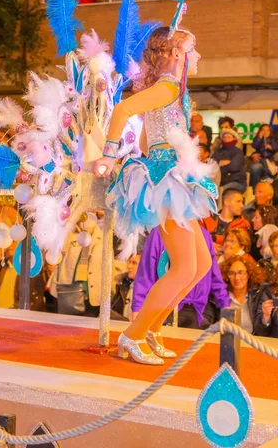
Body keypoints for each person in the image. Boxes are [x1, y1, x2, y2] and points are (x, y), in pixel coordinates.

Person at [93, 26, 218, 365]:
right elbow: (121, 111)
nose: (194, 54)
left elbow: (149, 141)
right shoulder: (165, 87)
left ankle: (151, 327)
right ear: (176, 52)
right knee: (185, 266)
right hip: (167, 181)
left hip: (173, 174)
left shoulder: (170, 88)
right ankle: (131, 336)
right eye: (190, 48)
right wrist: (108, 154)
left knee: (200, 264)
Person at [131, 227, 229, 330]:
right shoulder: (158, 234)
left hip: (197, 309)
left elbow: (214, 275)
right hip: (164, 307)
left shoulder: (203, 235)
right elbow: (146, 272)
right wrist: (138, 306)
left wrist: (225, 307)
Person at [50, 214, 104, 317]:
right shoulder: (70, 235)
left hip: (92, 297)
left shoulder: (103, 239)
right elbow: (57, 255)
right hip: (68, 293)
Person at [220, 254, 265, 333]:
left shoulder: (257, 296)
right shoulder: (219, 297)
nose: (237, 277)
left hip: (252, 343)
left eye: (240, 272)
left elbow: (263, 331)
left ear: (248, 275)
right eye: (232, 273)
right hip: (225, 342)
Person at [202, 189, 251, 255]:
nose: (242, 205)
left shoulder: (243, 224)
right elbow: (197, 237)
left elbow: (238, 243)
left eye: (242, 202)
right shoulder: (207, 219)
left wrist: (214, 238)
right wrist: (209, 244)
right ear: (227, 201)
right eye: (238, 201)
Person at [212, 128, 247, 193]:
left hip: (237, 182)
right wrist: (226, 163)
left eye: (229, 137)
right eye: (224, 137)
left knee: (221, 191)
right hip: (220, 181)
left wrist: (219, 164)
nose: (226, 139)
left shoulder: (238, 152)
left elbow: (233, 167)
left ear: (234, 139)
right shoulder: (217, 151)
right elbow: (211, 164)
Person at [111, 253, 141, 321]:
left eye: (134, 263)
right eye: (129, 262)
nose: (129, 266)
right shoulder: (123, 285)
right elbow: (113, 310)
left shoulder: (153, 290)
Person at [249, 124, 278, 188]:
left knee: (268, 165)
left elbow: (276, 148)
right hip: (261, 158)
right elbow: (254, 145)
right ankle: (267, 177)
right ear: (260, 131)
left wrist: (271, 147)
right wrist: (259, 137)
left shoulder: (272, 139)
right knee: (263, 163)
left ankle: (269, 177)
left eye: (268, 130)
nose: (265, 132)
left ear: (270, 132)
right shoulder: (259, 139)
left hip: (270, 158)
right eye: (263, 130)